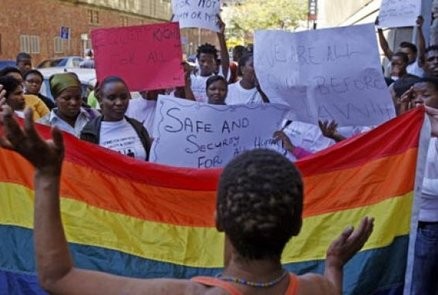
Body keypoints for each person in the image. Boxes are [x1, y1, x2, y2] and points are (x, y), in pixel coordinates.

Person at [0, 100, 374, 294]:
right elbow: (330, 286)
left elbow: (57, 277)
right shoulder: (314, 288)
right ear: (297, 224)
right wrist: (335, 264)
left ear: (216, 220)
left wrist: (47, 175)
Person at [399, 77, 438, 294]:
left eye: (426, 95)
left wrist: (414, 184)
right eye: (415, 97)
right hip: (410, 222)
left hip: (430, 226)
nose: (419, 102)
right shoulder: (411, 131)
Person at [80, 76, 151, 161]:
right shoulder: (89, 133)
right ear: (101, 99)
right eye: (112, 98)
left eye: (123, 97)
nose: (119, 103)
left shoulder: (139, 128)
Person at [38, 72, 98, 137]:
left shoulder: (94, 115)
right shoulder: (43, 125)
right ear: (55, 99)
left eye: (78, 98)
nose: (74, 103)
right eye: (67, 98)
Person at [189, 15, 230, 103]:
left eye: (210, 61)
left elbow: (225, 63)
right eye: (202, 61)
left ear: (216, 63)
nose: (206, 64)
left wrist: (221, 36)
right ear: (197, 61)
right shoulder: (190, 79)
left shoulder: (219, 79)